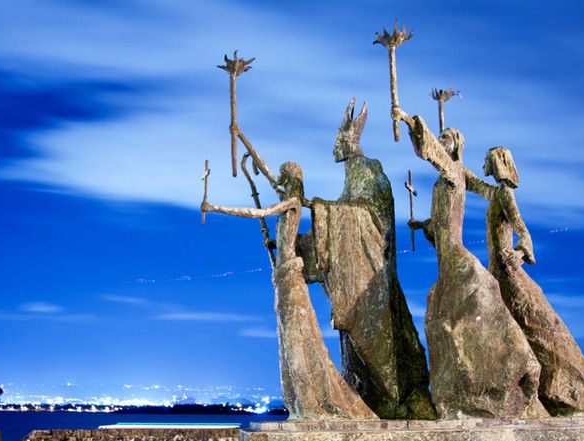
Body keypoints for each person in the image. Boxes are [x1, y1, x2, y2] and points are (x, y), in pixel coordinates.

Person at [398, 107, 548, 419]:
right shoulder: (448, 178)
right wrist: (423, 225)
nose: (441, 141)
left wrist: (410, 121)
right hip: (444, 258)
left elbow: (433, 154)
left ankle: (512, 369)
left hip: (455, 255)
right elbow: (461, 206)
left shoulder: (453, 172)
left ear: (456, 146)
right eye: (440, 137)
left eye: (447, 138)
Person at [202, 162, 376, 420]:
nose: (279, 183)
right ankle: (301, 404)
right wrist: (275, 243)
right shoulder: (288, 205)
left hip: (292, 283)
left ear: (290, 179)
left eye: (283, 177)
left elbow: (258, 212)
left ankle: (311, 403)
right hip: (283, 282)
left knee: (297, 343)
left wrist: (216, 207)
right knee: (288, 343)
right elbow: (287, 236)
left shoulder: (292, 202)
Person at [298, 100, 435, 419]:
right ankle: (363, 391)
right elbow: (343, 212)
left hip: (372, 277)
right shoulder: (351, 175)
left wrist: (323, 210)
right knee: (353, 343)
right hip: (354, 273)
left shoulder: (369, 169)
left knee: (376, 339)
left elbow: (374, 215)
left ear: (349, 143)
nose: (335, 149)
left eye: (340, 142)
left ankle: (389, 398)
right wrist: (302, 240)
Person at [483, 147, 584, 415]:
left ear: (497, 163)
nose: (483, 165)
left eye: (486, 160)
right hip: (495, 271)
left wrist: (519, 254)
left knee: (530, 326)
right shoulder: (494, 193)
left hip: (505, 272)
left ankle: (562, 388)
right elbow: (467, 179)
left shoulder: (505, 193)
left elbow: (523, 231)